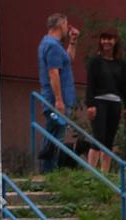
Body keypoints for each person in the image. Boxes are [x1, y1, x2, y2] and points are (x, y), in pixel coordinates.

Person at [35, 12, 76, 174]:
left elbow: (68, 60)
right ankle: (48, 171)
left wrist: (73, 41)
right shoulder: (52, 45)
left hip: (58, 97)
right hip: (55, 98)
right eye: (66, 25)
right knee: (54, 136)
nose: (68, 28)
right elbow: (53, 73)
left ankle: (49, 170)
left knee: (54, 133)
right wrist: (59, 100)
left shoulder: (53, 45)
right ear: (60, 25)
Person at [86, 30, 126, 171]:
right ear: (100, 41)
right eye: (104, 39)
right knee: (98, 139)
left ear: (115, 41)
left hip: (115, 103)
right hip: (99, 102)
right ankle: (91, 173)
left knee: (109, 140)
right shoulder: (95, 61)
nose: (106, 42)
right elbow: (90, 84)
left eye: (109, 39)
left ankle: (105, 175)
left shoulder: (121, 63)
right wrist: (90, 104)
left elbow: (125, 86)